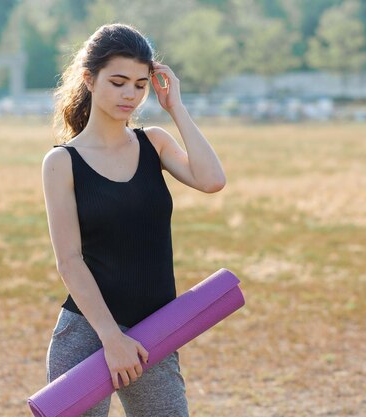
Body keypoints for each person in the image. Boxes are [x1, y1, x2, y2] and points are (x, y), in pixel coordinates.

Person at [41, 23, 226, 417]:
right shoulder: (62, 163)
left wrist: (175, 105)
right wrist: (111, 337)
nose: (130, 94)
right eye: (119, 82)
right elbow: (69, 261)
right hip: (88, 335)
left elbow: (212, 180)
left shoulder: (154, 142)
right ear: (89, 79)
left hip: (152, 334)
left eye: (140, 85)